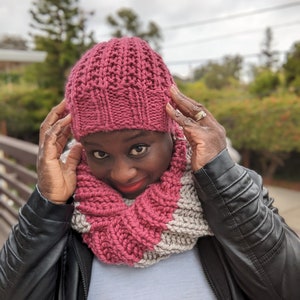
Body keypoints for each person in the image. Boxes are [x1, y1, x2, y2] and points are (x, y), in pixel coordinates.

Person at [0, 37, 299, 300]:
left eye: (138, 148)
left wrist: (222, 179)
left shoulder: (223, 193)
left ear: (171, 129)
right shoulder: (66, 213)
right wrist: (47, 205)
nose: (122, 173)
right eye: (99, 153)